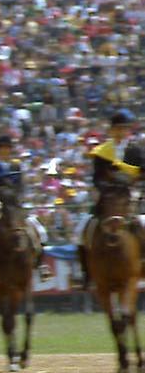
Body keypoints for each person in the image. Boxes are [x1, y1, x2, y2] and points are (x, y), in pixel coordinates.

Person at [76, 108, 144, 287]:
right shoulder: (102, 151)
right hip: (108, 196)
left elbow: (142, 174)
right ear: (112, 130)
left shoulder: (135, 150)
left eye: (124, 128)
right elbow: (97, 178)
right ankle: (86, 272)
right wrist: (107, 189)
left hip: (130, 195)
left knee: (143, 224)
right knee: (80, 230)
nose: (121, 132)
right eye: (118, 128)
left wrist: (133, 184)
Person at [0, 133, 48, 273]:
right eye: (2, 148)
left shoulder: (15, 166)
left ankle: (41, 263)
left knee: (40, 230)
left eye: (7, 148)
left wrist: (17, 198)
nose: (5, 150)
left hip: (14, 204)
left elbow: (20, 187)